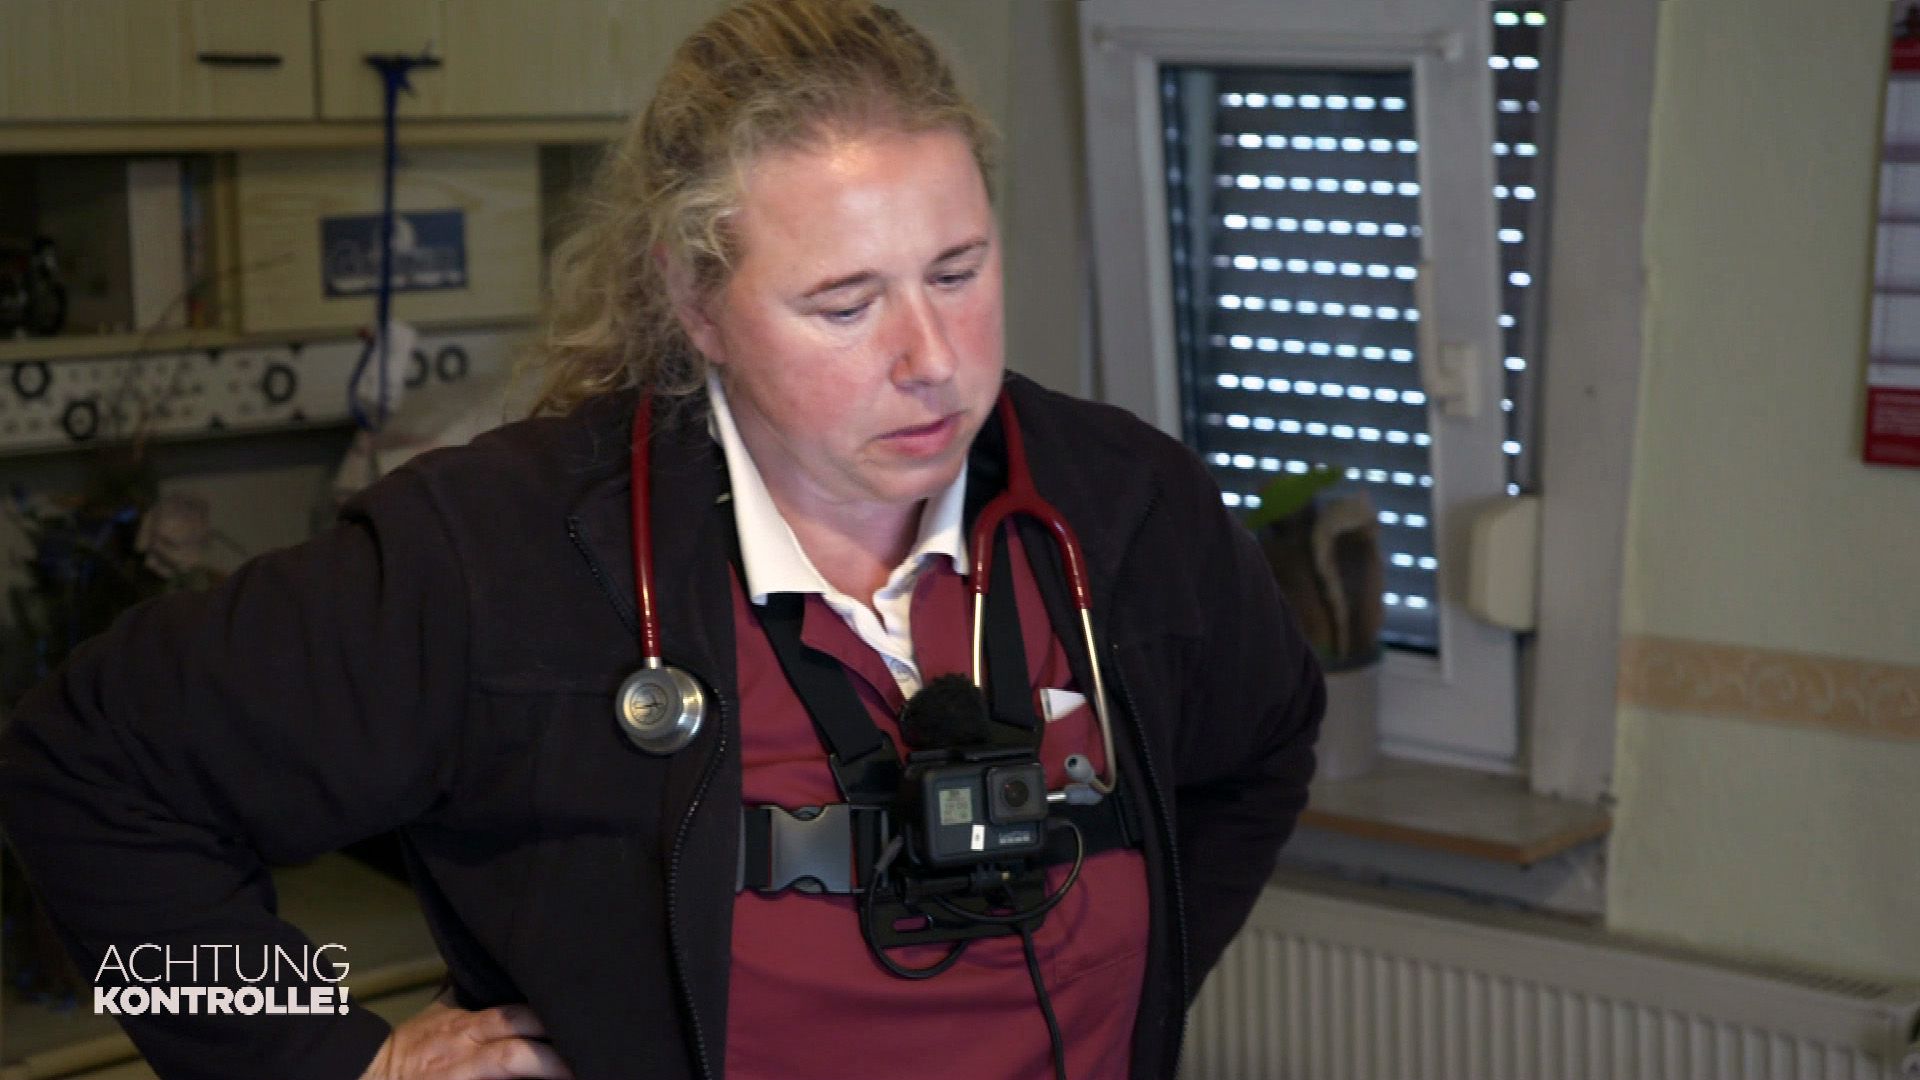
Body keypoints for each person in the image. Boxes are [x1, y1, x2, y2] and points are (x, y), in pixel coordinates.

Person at [0, 2, 1324, 1077]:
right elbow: (75, 775)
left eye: (958, 271)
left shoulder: (1124, 510)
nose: (930, 358)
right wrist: (330, 1061)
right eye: (845, 303)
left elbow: (1264, 741)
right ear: (696, 302)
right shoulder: (499, 560)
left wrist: (1133, 986)